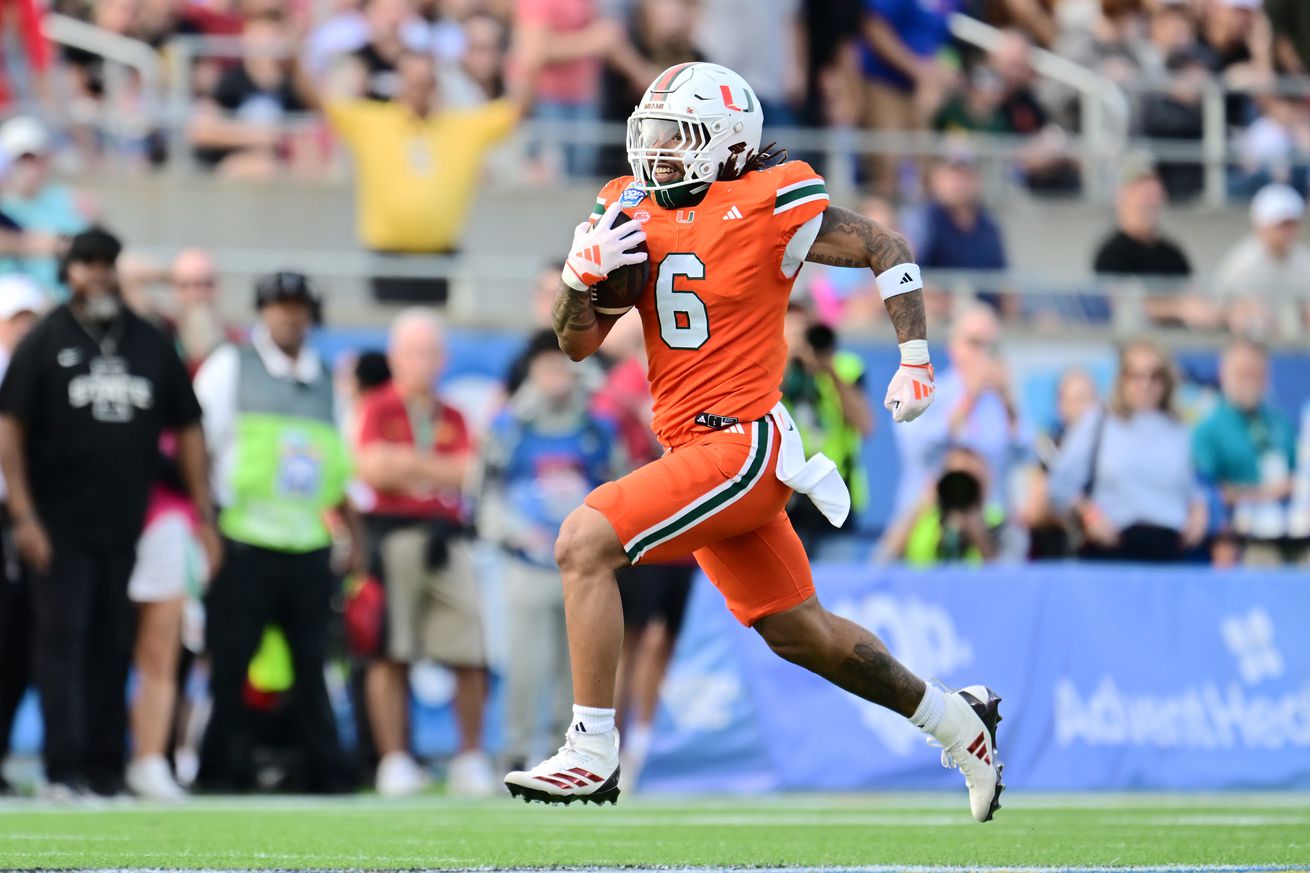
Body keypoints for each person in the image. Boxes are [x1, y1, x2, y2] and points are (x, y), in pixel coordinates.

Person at [504, 62, 1004, 824]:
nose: (660, 150)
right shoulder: (627, 209)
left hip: (741, 444)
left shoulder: (768, 202)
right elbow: (577, 344)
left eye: (680, 135)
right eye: (655, 133)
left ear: (727, 141)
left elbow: (885, 245)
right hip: (694, 454)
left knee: (582, 541)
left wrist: (914, 357)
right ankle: (955, 719)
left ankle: (593, 748)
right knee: (802, 633)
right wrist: (579, 280)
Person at [0, 229, 217, 800]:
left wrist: (204, 511)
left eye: (106, 264)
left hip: (128, 521)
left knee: (112, 641)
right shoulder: (45, 339)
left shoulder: (146, 340)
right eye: (86, 263)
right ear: (67, 271)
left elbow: (189, 426)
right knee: (60, 639)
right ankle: (60, 767)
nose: (97, 274)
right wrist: (23, 515)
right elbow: (10, 428)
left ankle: (102, 764)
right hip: (57, 520)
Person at [193, 271, 358, 794]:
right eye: (277, 306)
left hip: (306, 545)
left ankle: (322, 772)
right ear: (261, 312)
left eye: (297, 306)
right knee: (232, 665)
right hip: (242, 540)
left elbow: (341, 466)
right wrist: (206, 524)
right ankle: (222, 770)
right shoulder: (230, 366)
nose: (288, 315)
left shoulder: (326, 378)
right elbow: (199, 445)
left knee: (311, 668)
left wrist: (348, 536)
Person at [354, 309, 493, 796]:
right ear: (395, 357)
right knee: (391, 650)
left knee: (469, 647)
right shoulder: (378, 407)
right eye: (414, 352)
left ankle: (470, 757)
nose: (423, 362)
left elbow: (469, 474)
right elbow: (374, 469)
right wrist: (437, 468)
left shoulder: (453, 414)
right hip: (392, 535)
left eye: (431, 352)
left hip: (447, 537)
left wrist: (409, 466)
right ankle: (394, 759)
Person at [476, 331, 620, 773]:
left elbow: (620, 487)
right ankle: (516, 749)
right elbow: (485, 492)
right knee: (525, 663)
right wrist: (514, 534)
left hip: (584, 568)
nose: (556, 377)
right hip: (528, 562)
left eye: (563, 366)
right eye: (547, 367)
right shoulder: (509, 427)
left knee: (578, 668)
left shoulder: (597, 427)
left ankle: (571, 754)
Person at [310, 48, 530, 304]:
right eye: (413, 83)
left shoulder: (462, 125)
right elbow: (322, 104)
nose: (419, 91)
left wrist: (530, 65)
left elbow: (514, 111)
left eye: (425, 83)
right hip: (387, 256)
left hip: (441, 256)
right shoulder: (373, 120)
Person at [1048, 338, 1206, 563]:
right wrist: (1090, 516)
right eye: (1136, 375)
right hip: (1113, 549)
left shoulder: (1179, 430)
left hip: (1169, 552)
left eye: (1155, 376)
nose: (1146, 384)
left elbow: (1189, 486)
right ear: (1122, 379)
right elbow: (1061, 485)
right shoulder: (1098, 422)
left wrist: (1199, 509)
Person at [892, 304, 1026, 524]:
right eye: (974, 343)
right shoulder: (925, 391)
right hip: (927, 523)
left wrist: (1008, 402)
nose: (983, 353)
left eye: (991, 346)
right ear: (952, 346)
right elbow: (917, 451)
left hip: (989, 528)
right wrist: (968, 400)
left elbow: (1024, 454)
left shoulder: (1003, 400)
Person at [1193, 340, 1306, 567]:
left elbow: (1296, 476)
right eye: (1243, 373)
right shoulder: (1209, 428)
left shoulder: (1279, 422)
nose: (1251, 381)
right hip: (1240, 535)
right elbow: (1208, 491)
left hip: (1291, 527)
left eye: (1257, 373)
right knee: (1263, 562)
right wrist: (1265, 494)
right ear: (1224, 375)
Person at [781, 302, 874, 551]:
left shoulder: (845, 366)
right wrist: (786, 358)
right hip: (784, 498)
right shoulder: (772, 368)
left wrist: (828, 368)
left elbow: (865, 425)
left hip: (836, 492)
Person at [0, 274, 44, 795]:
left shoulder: (42, 375)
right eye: (17, 319)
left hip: (28, 518)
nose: (25, 329)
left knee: (19, 645)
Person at [0, 117, 95, 296]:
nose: (30, 167)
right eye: (23, 159)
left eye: (35, 158)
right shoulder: (4, 204)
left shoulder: (68, 199)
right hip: (22, 298)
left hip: (70, 294)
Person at [1018, 367, 1099, 560]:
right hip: (1054, 548)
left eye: (1084, 399)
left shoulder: (1109, 448)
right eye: (1070, 400)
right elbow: (1031, 511)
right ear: (1059, 405)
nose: (1078, 407)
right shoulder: (1048, 447)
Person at [1213, 183, 1310, 341]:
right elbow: (1219, 309)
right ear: (1262, 225)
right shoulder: (1242, 264)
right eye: (1282, 225)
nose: (1289, 232)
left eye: (1293, 224)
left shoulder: (1304, 260)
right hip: (1254, 345)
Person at [881, 445, 1000, 566]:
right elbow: (882, 562)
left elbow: (1005, 572)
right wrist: (918, 509)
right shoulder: (922, 516)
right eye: (955, 479)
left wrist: (976, 527)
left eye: (968, 479)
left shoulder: (997, 521)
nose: (960, 488)